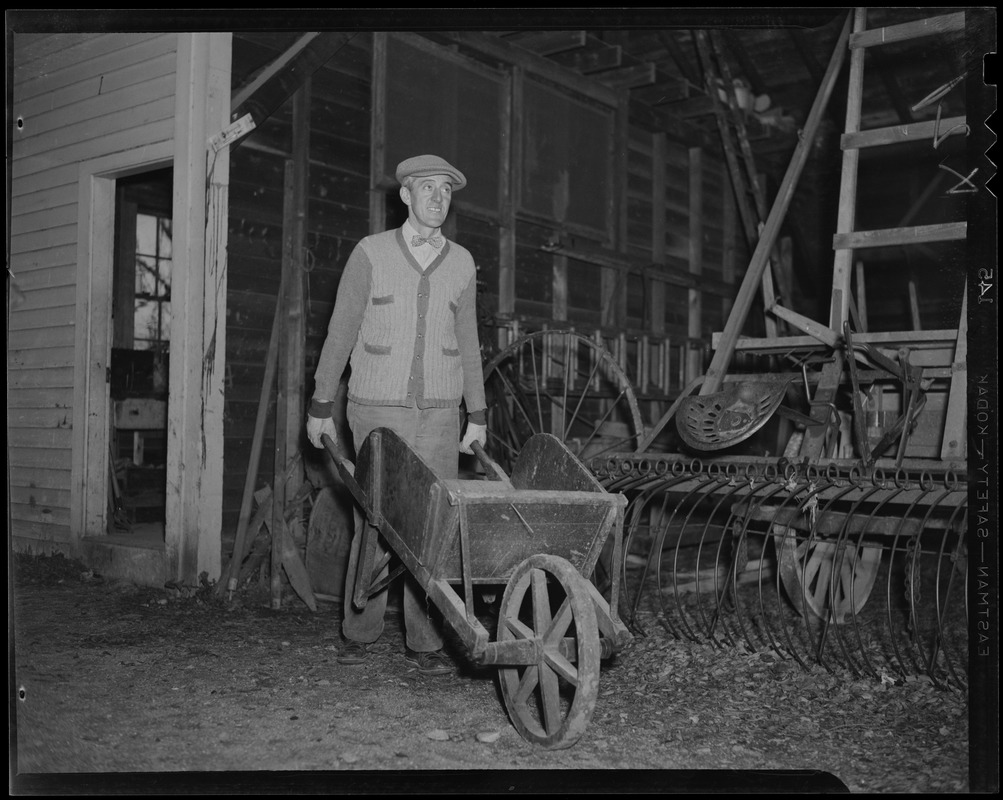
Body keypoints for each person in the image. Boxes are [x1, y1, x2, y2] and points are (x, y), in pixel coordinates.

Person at [306, 154, 488, 677]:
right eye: (426, 188)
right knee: (377, 520)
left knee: (433, 527)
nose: (437, 198)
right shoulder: (371, 253)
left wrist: (476, 412)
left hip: (439, 413)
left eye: (445, 191)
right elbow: (340, 330)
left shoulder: (462, 261)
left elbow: (471, 343)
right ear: (404, 195)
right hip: (377, 409)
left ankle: (426, 642)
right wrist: (322, 405)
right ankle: (359, 630)